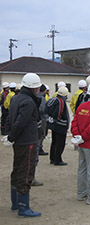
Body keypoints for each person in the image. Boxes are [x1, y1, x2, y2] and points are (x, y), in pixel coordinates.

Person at [8, 72, 42, 217]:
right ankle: (23, 207)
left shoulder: (16, 98)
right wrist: (12, 136)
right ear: (35, 88)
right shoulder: (28, 102)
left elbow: (11, 119)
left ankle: (15, 203)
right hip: (27, 141)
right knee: (26, 172)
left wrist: (11, 136)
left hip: (20, 141)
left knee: (17, 170)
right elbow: (21, 122)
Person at [47, 87, 70, 166]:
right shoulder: (61, 102)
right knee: (60, 143)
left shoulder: (54, 99)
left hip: (54, 125)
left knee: (54, 142)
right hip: (60, 125)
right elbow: (58, 114)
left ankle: (52, 158)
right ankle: (58, 160)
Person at [37, 85, 49, 156]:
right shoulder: (42, 98)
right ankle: (39, 148)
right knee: (42, 134)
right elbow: (42, 108)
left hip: (38, 118)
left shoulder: (36, 96)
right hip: (42, 118)